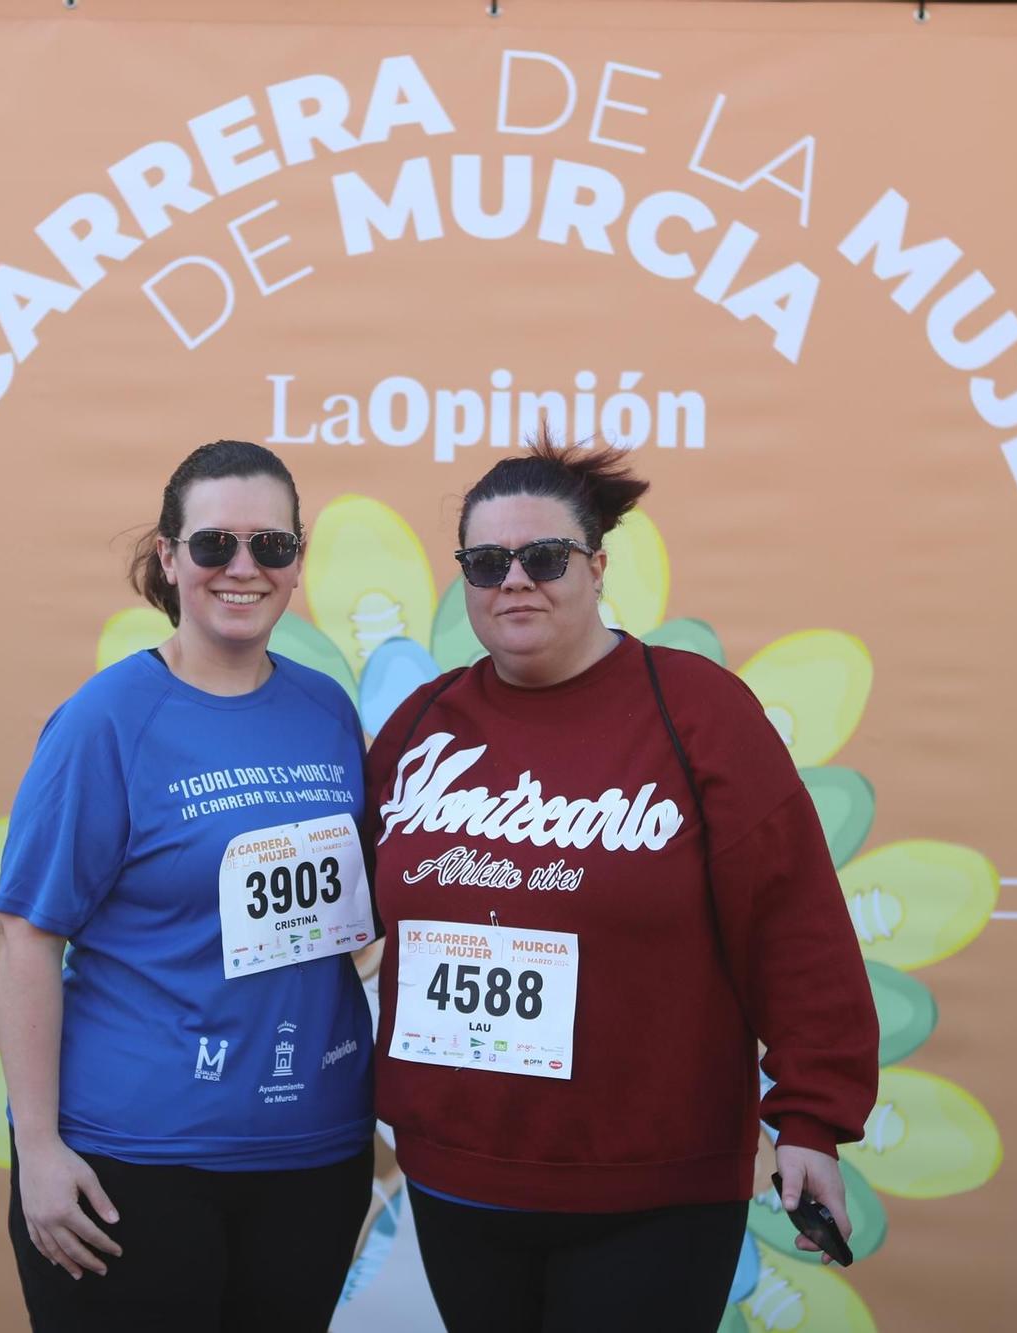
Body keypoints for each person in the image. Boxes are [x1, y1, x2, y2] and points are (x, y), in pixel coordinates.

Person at [364, 433, 879, 1333]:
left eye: (545, 556)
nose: (515, 579)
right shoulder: (417, 727)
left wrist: (811, 1118)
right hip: (458, 1176)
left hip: (654, 1187)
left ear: (598, 565)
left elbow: (795, 926)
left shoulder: (698, 712)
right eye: (487, 562)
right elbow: (339, 911)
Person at [0, 440, 376, 1333]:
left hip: (311, 1158)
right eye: (214, 545)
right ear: (169, 558)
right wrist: (38, 1149)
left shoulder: (327, 710)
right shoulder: (106, 720)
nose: (243, 568)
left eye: (271, 546)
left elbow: (346, 920)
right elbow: (28, 938)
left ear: (296, 561)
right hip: (132, 1163)